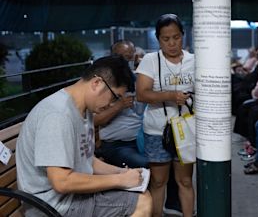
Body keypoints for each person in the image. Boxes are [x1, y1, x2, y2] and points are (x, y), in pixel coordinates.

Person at [16, 56, 152, 217]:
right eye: (115, 97)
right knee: (142, 203)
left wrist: (122, 173)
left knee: (142, 195)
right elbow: (62, 182)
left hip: (69, 198)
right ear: (97, 83)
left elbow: (87, 160)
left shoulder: (84, 110)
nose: (112, 104)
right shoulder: (57, 115)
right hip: (52, 206)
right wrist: (120, 180)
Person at [136, 14, 195, 217]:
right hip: (156, 130)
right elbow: (142, 94)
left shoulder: (194, 61)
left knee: (185, 181)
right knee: (158, 181)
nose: (172, 43)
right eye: (166, 39)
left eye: (176, 37)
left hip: (186, 130)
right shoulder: (150, 60)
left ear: (183, 36)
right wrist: (171, 95)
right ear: (158, 38)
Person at [95, 40, 148, 168]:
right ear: (112, 58)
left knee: (166, 164)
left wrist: (145, 69)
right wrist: (119, 105)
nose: (125, 62)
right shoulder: (103, 84)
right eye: (122, 58)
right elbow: (95, 121)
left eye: (130, 57)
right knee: (147, 165)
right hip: (117, 145)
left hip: (142, 140)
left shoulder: (140, 78)